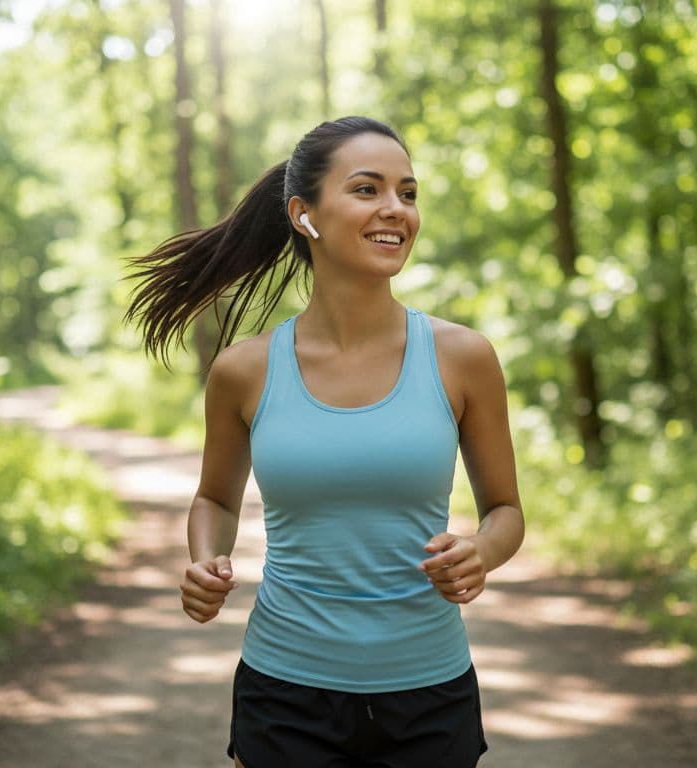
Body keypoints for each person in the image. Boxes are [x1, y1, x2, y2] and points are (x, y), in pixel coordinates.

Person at [124, 116, 524, 768]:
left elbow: (506, 512)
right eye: (367, 189)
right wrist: (204, 559)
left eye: (408, 192)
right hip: (285, 693)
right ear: (304, 215)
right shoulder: (244, 371)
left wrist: (482, 551)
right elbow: (215, 501)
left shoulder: (463, 358)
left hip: (429, 693)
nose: (396, 209)